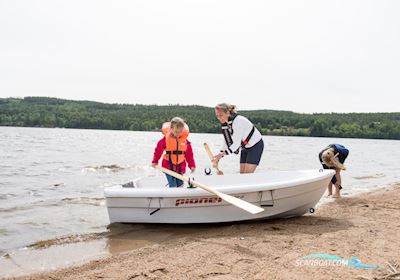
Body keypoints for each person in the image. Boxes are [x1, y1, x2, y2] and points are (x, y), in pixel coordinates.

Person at [212, 103, 264, 174]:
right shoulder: (226, 123)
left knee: (247, 175)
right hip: (245, 147)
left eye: (221, 115)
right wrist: (218, 157)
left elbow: (236, 144)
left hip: (256, 145)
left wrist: (221, 155)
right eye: (217, 116)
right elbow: (226, 142)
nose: (219, 118)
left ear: (227, 113)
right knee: (242, 174)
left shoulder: (237, 121)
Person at [152, 117, 196, 187]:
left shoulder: (185, 141)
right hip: (168, 166)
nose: (178, 134)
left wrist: (192, 165)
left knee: (180, 184)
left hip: (180, 167)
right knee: (173, 185)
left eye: (180, 131)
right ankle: (171, 190)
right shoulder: (165, 140)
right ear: (171, 129)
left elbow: (189, 155)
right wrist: (155, 161)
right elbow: (158, 150)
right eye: (176, 131)